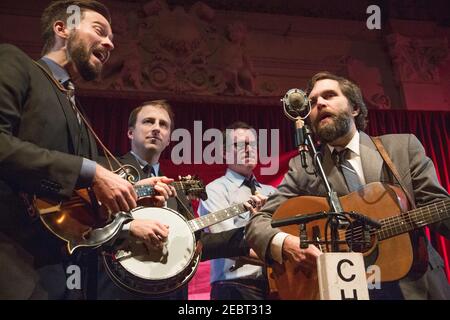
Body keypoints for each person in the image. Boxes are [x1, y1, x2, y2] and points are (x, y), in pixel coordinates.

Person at [0, 0, 171, 300]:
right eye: (99, 30)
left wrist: (135, 190)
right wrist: (91, 172)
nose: (109, 43)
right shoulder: (14, 62)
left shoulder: (79, 112)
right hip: (14, 267)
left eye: (112, 38)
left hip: (68, 278)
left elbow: (78, 199)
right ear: (62, 28)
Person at [245, 71, 450, 300]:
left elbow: (439, 210)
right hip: (350, 290)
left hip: (417, 284)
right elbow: (257, 222)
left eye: (329, 95)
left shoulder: (402, 148)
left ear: (355, 108)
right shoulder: (305, 169)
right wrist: (287, 243)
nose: (320, 103)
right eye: (312, 102)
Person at [97, 101, 267, 299]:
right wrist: (131, 223)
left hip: (169, 292)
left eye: (163, 125)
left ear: (169, 139)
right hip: (116, 290)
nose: (156, 129)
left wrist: (250, 235)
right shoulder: (105, 172)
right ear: (130, 132)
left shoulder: (175, 190)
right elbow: (88, 225)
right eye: (148, 122)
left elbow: (197, 242)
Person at [198, 121, 276, 300]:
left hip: (277, 285)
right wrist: (278, 256)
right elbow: (225, 243)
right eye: (239, 145)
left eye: (253, 144)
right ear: (224, 153)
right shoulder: (214, 190)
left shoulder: (272, 192)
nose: (248, 149)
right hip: (235, 287)